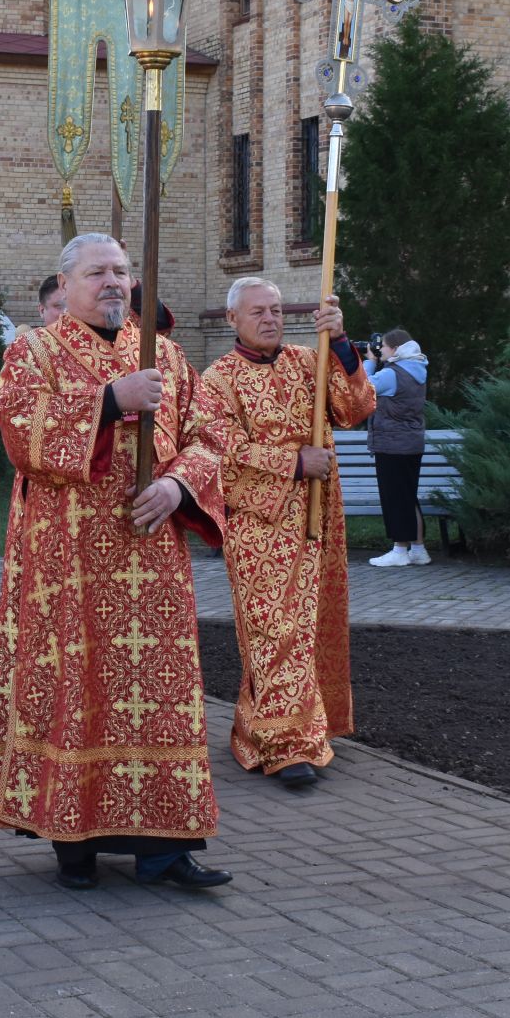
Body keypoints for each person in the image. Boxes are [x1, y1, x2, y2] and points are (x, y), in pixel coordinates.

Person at [0, 233, 232, 891]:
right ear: (65, 285)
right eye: (98, 271)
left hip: (150, 567)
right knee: (78, 693)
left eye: (122, 271)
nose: (113, 282)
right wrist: (108, 402)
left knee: (158, 697)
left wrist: (176, 486)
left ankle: (164, 849)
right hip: (64, 568)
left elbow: (210, 440)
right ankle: (75, 846)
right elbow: (20, 431)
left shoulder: (169, 359)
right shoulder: (32, 352)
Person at [203, 277, 376, 790]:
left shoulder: (309, 360)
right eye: (258, 311)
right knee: (274, 631)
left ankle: (267, 729)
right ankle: (287, 746)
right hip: (260, 526)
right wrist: (294, 461)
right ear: (233, 319)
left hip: (319, 519)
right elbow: (217, 454)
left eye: (277, 310)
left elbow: (355, 408)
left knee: (309, 628)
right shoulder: (218, 380)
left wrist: (341, 342)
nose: (270, 319)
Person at [366, 329, 432, 567]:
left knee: (395, 496)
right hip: (411, 441)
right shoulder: (417, 369)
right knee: (407, 496)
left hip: (393, 443)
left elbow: (363, 390)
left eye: (382, 347)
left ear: (394, 349)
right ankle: (418, 549)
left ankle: (399, 550)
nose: (379, 350)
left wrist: (368, 363)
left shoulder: (393, 374)